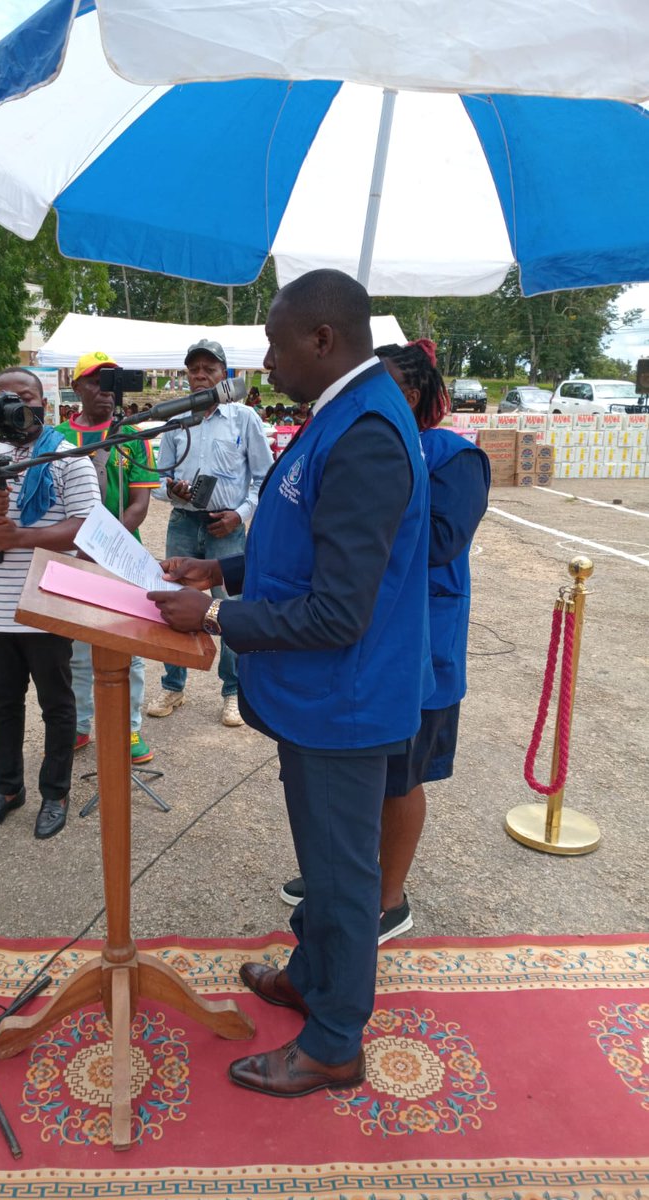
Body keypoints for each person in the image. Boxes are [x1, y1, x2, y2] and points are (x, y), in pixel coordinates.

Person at [148, 270, 432, 1097]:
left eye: (274, 343)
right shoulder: (340, 413)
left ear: (321, 339)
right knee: (322, 858)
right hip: (320, 697)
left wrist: (210, 618)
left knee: (343, 879)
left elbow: (340, 611)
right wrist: (224, 570)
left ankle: (336, 1040)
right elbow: (303, 544)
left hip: (345, 699)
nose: (263, 362)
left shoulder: (369, 432)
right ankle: (313, 976)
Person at [279, 339, 491, 942]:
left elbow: (439, 541)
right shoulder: (351, 440)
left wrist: (366, 506)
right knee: (354, 774)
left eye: (386, 386)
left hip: (422, 650)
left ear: (416, 394)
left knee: (400, 777)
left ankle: (388, 898)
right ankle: (346, 876)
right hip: (360, 644)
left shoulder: (452, 457)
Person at [0, 367, 101, 839]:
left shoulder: (67, 456)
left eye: (24, 395)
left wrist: (20, 537)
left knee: (57, 705)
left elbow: (84, 526)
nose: (14, 403)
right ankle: (7, 789)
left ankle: (54, 793)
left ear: (43, 402)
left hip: (45, 602)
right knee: (2, 706)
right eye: (3, 396)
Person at [148, 339, 273, 727]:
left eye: (209, 368)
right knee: (172, 601)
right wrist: (170, 489)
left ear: (225, 374)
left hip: (226, 527)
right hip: (184, 522)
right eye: (193, 369)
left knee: (230, 608)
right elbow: (159, 477)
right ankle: (173, 685)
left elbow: (263, 478)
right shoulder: (175, 421)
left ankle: (233, 692)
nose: (200, 375)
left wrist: (239, 515)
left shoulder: (244, 419)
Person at [58, 351, 158, 764]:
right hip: (75, 555)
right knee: (79, 648)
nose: (105, 391)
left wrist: (109, 543)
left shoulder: (134, 436)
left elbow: (140, 504)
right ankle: (82, 724)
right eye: (96, 381)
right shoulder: (59, 439)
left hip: (122, 557)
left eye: (113, 382)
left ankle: (129, 728)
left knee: (128, 646)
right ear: (78, 386)